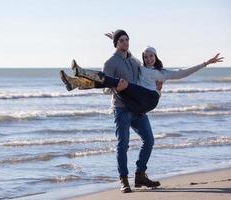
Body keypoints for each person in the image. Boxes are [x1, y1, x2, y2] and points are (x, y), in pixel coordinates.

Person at [59, 29, 223, 193]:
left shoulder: (140, 65)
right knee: (123, 144)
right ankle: (125, 180)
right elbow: (105, 89)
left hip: (141, 106)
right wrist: (117, 87)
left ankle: (140, 174)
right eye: (121, 40)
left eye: (126, 40)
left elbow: (180, 73)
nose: (125, 43)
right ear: (117, 43)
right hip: (122, 108)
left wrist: (205, 63)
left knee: (148, 139)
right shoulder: (119, 63)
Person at [61, 50, 223, 114]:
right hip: (137, 101)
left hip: (150, 98)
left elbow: (182, 73)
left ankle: (80, 74)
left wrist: (206, 63)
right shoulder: (139, 67)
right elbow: (127, 54)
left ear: (156, 57)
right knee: (114, 83)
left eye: (151, 56)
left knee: (119, 82)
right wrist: (116, 41)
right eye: (145, 57)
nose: (148, 59)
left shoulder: (162, 73)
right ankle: (76, 83)